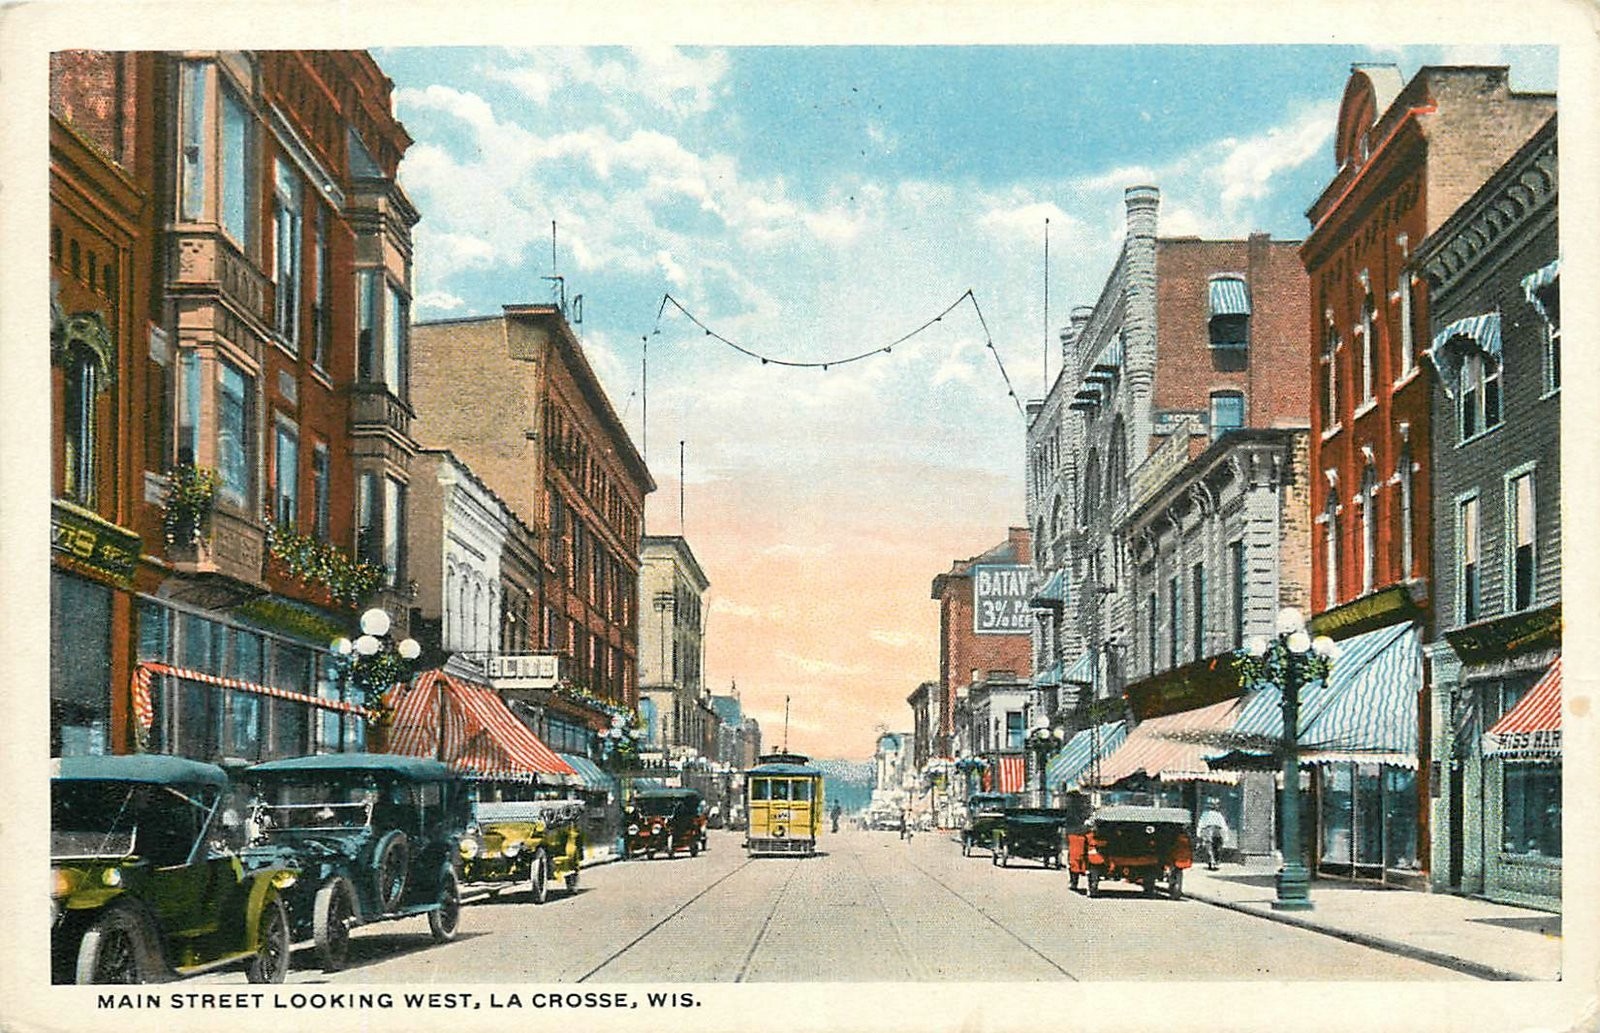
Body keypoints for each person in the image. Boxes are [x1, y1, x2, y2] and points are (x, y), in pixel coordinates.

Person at [1196, 797, 1229, 870]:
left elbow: (1201, 823)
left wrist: (1199, 832)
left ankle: (1212, 860)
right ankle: (1214, 861)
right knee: (1215, 846)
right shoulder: (1217, 814)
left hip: (1210, 830)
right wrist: (1225, 835)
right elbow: (1223, 825)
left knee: (1210, 846)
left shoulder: (1207, 814)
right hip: (1215, 830)